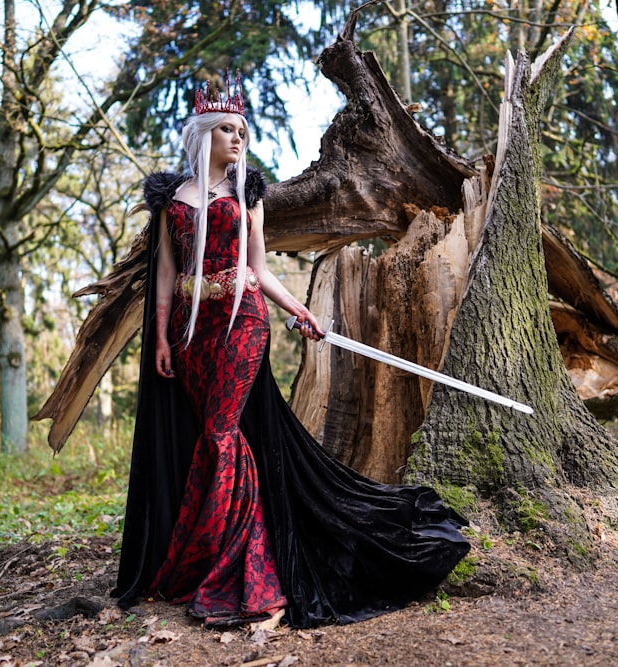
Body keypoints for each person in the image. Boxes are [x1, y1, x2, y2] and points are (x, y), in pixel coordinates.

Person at [111, 72, 470, 630]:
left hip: (242, 322)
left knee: (223, 435)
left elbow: (258, 268)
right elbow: (165, 274)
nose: (237, 139)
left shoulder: (245, 192)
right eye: (227, 130)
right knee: (210, 435)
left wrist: (295, 309)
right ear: (203, 134)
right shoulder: (170, 198)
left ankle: (244, 570)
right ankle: (203, 557)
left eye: (242, 131)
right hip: (189, 331)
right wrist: (159, 336)